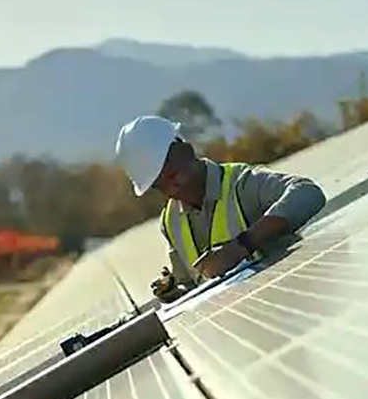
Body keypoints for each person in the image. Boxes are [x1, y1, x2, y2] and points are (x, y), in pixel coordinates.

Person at [114, 115, 326, 302]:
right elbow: (189, 286)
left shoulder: (241, 185)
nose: (172, 186)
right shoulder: (170, 223)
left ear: (187, 150)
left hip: (286, 301)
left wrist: (242, 245)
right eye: (160, 184)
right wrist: (171, 291)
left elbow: (307, 193)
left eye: (172, 171)